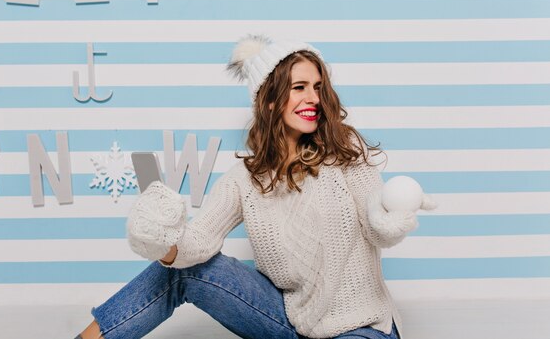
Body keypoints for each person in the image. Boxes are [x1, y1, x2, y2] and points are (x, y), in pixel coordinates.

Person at [75, 35, 436, 339]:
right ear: (270, 99)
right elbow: (196, 243)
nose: (313, 98)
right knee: (182, 269)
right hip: (290, 323)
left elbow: (377, 224)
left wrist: (391, 218)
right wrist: (161, 240)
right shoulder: (245, 180)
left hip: (360, 326)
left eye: (318, 88)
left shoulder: (345, 154)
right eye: (299, 88)